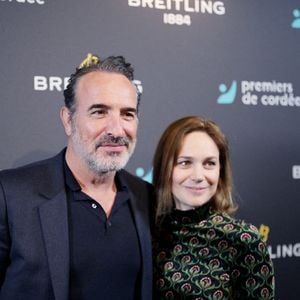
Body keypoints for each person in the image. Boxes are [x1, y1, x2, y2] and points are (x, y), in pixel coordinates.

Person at [0, 53, 153, 300]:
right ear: (68, 120)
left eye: (127, 114)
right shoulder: (11, 194)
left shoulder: (148, 197)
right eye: (99, 112)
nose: (116, 130)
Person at [152, 116, 275, 299]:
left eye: (209, 163)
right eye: (185, 162)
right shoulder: (145, 230)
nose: (198, 176)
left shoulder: (243, 240)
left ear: (221, 170)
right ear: (165, 168)